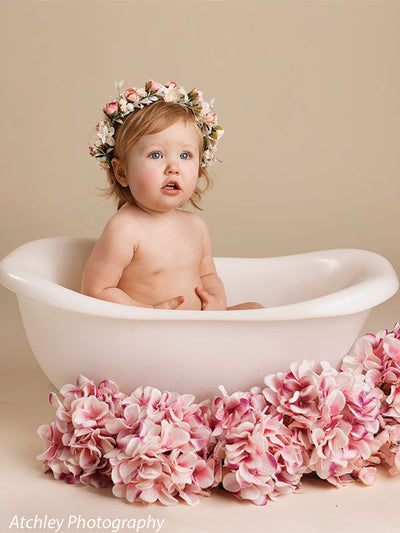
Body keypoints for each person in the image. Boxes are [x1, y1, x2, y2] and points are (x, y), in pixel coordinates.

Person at [82, 79, 264, 311]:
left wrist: (216, 299)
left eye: (185, 155)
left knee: (255, 309)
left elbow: (207, 275)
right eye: (156, 155)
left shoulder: (196, 226)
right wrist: (147, 313)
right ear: (121, 172)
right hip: (155, 332)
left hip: (198, 327)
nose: (173, 167)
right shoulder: (125, 228)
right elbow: (96, 290)